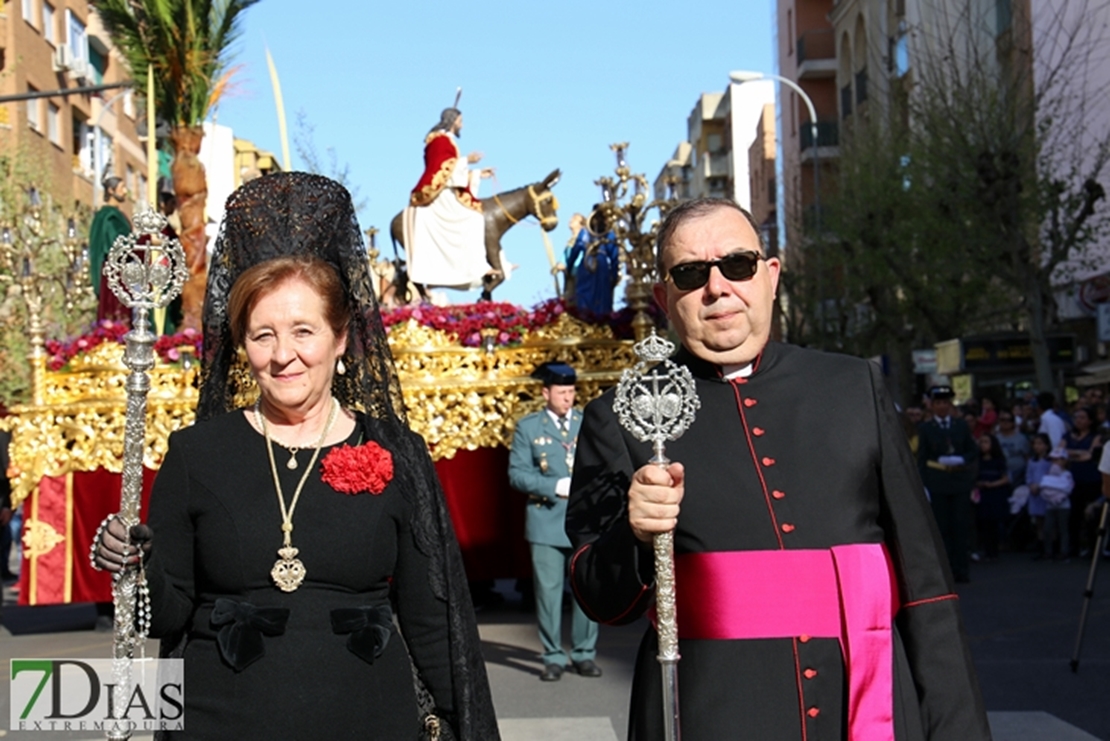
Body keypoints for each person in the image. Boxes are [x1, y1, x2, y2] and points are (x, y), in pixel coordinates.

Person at [92, 173, 499, 740]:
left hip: (369, 723)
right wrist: (136, 570)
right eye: (262, 335)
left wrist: (462, 725)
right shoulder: (196, 454)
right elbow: (167, 615)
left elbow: (433, 623)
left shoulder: (395, 453)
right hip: (219, 724)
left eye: (303, 331)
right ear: (241, 346)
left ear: (340, 339)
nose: (284, 356)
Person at [566, 197, 990, 741]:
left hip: (866, 699)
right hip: (710, 713)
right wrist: (635, 533)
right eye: (691, 274)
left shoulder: (854, 387)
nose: (717, 287)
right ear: (664, 298)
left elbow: (926, 586)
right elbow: (599, 597)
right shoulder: (623, 414)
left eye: (737, 265)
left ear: (770, 276)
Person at [508, 362, 601, 682]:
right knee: (548, 594)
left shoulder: (586, 422)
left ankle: (584, 653)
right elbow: (517, 474)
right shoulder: (529, 428)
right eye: (562, 392)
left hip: (583, 520)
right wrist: (553, 487)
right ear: (546, 393)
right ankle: (552, 655)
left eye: (571, 391)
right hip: (547, 519)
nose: (568, 398)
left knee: (586, 590)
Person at [403, 106, 496, 292]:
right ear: (452, 121)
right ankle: (477, 266)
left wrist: (476, 174)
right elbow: (441, 169)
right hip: (439, 195)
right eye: (460, 121)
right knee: (474, 218)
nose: (462, 125)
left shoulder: (445, 140)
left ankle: (475, 266)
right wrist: (467, 160)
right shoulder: (440, 140)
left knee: (475, 215)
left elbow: (450, 170)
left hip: (446, 190)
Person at [918, 385, 979, 583]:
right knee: (942, 527)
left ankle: (962, 569)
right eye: (938, 403)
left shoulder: (960, 425)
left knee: (960, 526)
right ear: (932, 406)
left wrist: (962, 460)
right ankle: (946, 571)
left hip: (959, 481)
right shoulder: (926, 428)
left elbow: (972, 450)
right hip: (938, 481)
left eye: (945, 402)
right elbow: (922, 458)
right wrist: (924, 484)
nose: (942, 406)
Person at [88, 176, 132, 323]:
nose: (125, 192)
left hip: (121, 275)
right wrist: (144, 240)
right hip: (113, 277)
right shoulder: (108, 216)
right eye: (122, 188)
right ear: (111, 190)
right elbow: (115, 244)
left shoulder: (116, 215)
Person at [565, 208, 621, 315]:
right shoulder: (607, 232)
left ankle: (589, 318)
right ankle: (597, 320)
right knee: (598, 295)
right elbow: (615, 255)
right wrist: (614, 275)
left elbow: (575, 250)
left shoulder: (587, 232)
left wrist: (569, 267)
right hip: (598, 265)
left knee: (589, 294)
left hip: (589, 264)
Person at [974, 433, 1011, 561]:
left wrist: (992, 484)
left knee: (994, 523)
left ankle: (994, 551)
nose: (983, 445)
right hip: (982, 494)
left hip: (995, 494)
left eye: (986, 442)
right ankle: (986, 550)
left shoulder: (999, 460)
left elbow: (1005, 478)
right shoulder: (978, 461)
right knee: (984, 523)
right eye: (981, 442)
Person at [1040, 448, 1074, 560]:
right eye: (1053, 460)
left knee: (1063, 529)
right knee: (1047, 528)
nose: (1054, 462)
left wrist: (1053, 488)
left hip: (1063, 506)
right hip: (1050, 505)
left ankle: (1064, 552)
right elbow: (1043, 486)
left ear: (1064, 461)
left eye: (1057, 459)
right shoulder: (1048, 473)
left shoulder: (1067, 474)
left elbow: (1067, 488)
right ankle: (1048, 551)